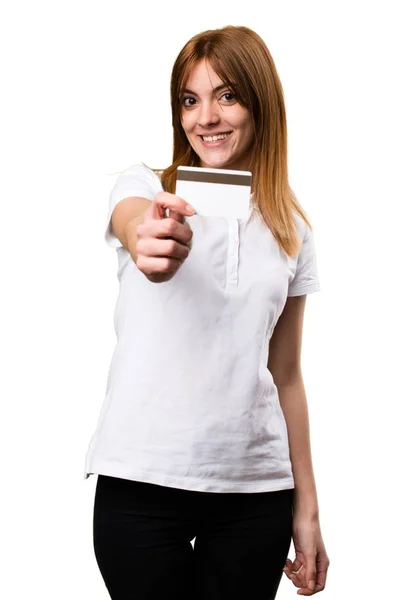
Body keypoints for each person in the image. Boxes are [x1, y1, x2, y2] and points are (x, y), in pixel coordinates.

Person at [84, 25, 330, 600]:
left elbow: (287, 375)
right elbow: (134, 219)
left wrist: (308, 510)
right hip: (140, 481)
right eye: (190, 100)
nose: (206, 118)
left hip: (256, 493)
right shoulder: (146, 187)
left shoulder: (292, 229)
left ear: (259, 102)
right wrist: (150, 235)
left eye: (227, 95)